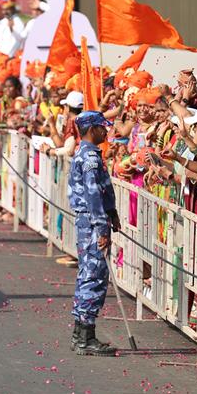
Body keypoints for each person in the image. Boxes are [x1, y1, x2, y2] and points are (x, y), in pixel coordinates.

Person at [69, 110, 120, 356]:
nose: (105, 131)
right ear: (92, 130)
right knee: (93, 277)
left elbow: (101, 191)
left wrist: (112, 213)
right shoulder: (89, 156)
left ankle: (81, 334)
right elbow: (92, 195)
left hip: (90, 221)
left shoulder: (88, 153)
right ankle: (84, 336)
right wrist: (102, 226)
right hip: (91, 223)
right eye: (102, 127)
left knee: (88, 275)